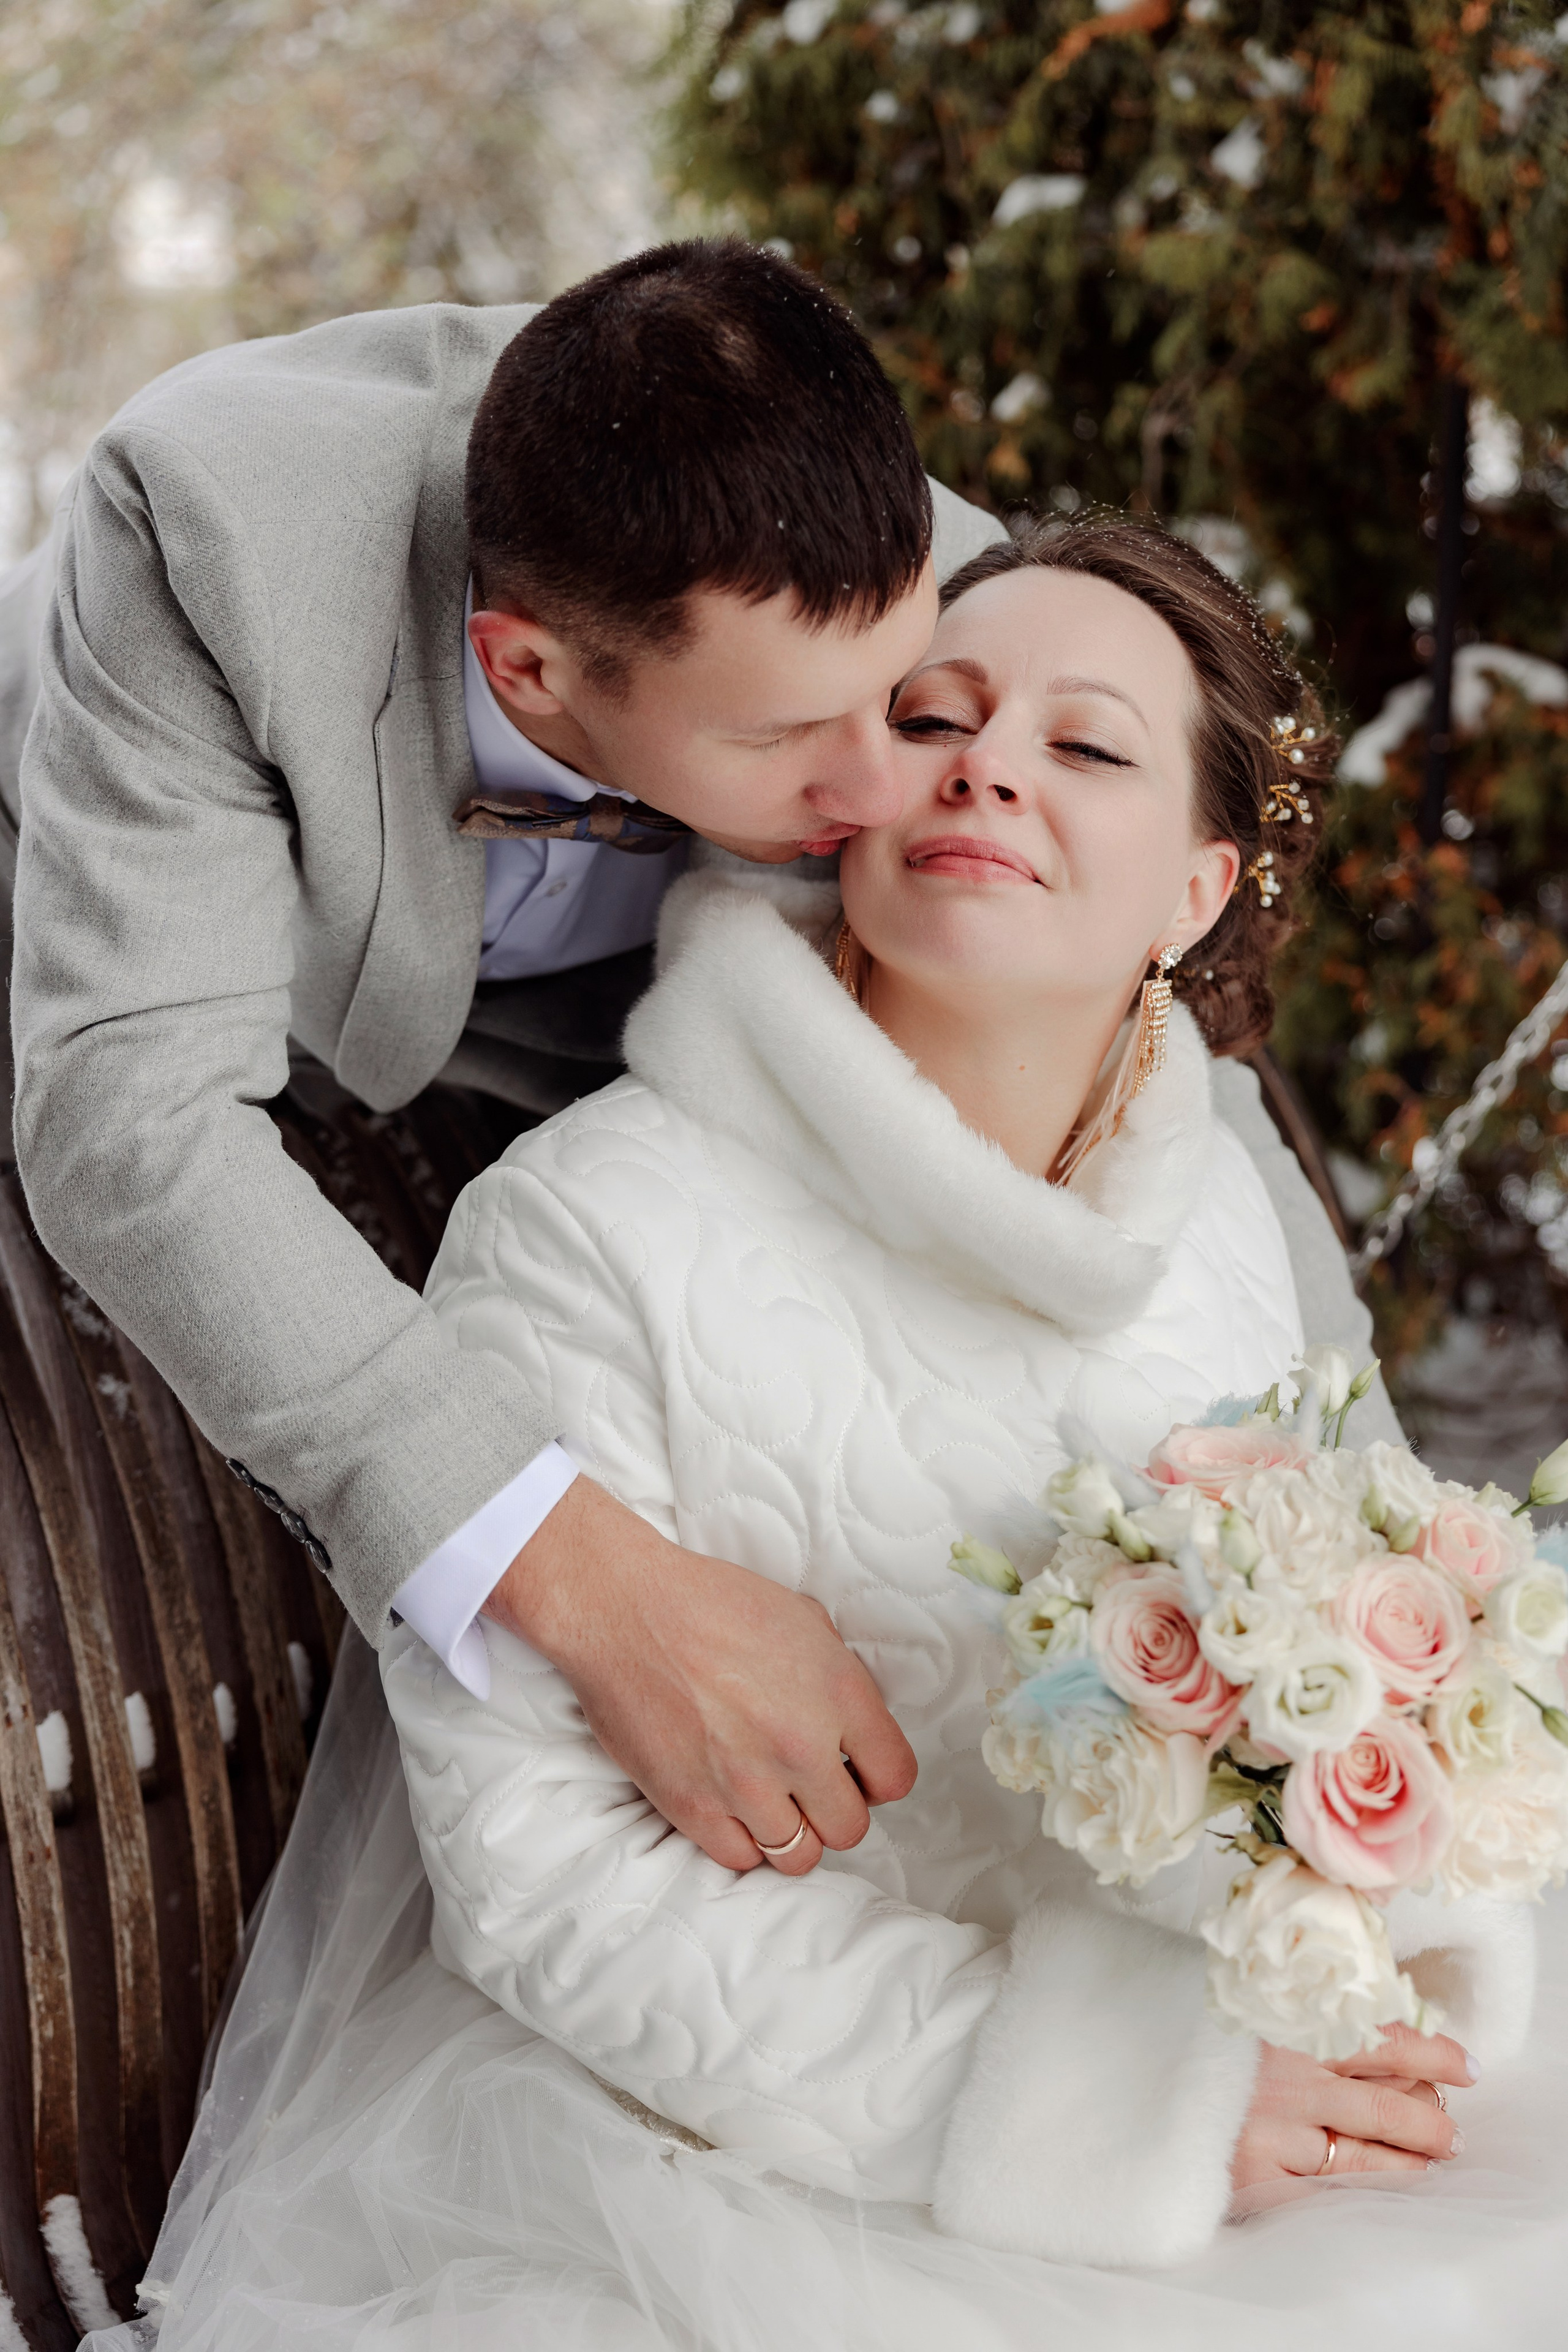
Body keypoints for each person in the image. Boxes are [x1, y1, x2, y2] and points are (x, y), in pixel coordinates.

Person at [92, 517, 1567, 2352]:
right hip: (718, 2157)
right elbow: (550, 1889)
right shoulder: (587, 1234)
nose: (987, 763)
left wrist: (1342, 1980)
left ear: (1195, 894)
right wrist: (1114, 2111)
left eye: (1084, 744)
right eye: (935, 716)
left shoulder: (1221, 1227)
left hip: (1204, 2080)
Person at [0, 239, 1389, 1879]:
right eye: (793, 736)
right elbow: (131, 1123)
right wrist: (588, 1576)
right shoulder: (219, 539)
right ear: (530, 669)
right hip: (95, 945)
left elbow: (1145, 1029)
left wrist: (1370, 1533)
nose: (898, 786)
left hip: (575, 1086)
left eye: (907, 697)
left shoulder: (910, 570)